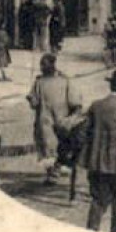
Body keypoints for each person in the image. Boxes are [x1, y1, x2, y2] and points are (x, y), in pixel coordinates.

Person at [81, 68, 116, 232]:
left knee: (98, 201)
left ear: (110, 85)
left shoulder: (96, 106)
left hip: (97, 164)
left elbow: (85, 132)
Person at [27, 53, 81, 184]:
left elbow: (34, 104)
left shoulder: (39, 82)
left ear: (51, 65)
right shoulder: (64, 80)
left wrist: (30, 99)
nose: (41, 67)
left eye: (43, 65)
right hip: (61, 121)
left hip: (47, 123)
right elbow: (75, 102)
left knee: (48, 148)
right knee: (57, 147)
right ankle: (55, 170)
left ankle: (53, 172)